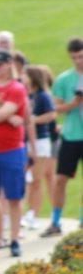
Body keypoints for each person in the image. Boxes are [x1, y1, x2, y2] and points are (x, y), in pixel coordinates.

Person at [0, 50, 29, 257]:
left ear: (8, 65)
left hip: (11, 149)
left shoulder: (16, 88)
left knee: (14, 196)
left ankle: (14, 238)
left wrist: (1, 113)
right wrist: (5, 115)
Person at [42, 39, 83, 237]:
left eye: (81, 56)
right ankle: (56, 220)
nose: (78, 61)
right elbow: (55, 108)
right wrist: (73, 104)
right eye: (74, 57)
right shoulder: (65, 79)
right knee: (60, 179)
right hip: (71, 134)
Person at [21, 65, 57, 231]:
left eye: (25, 75)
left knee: (36, 179)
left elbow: (52, 115)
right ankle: (25, 212)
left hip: (41, 140)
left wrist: (33, 120)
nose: (21, 77)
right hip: (24, 140)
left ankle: (34, 214)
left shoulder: (42, 96)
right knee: (25, 179)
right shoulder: (25, 95)